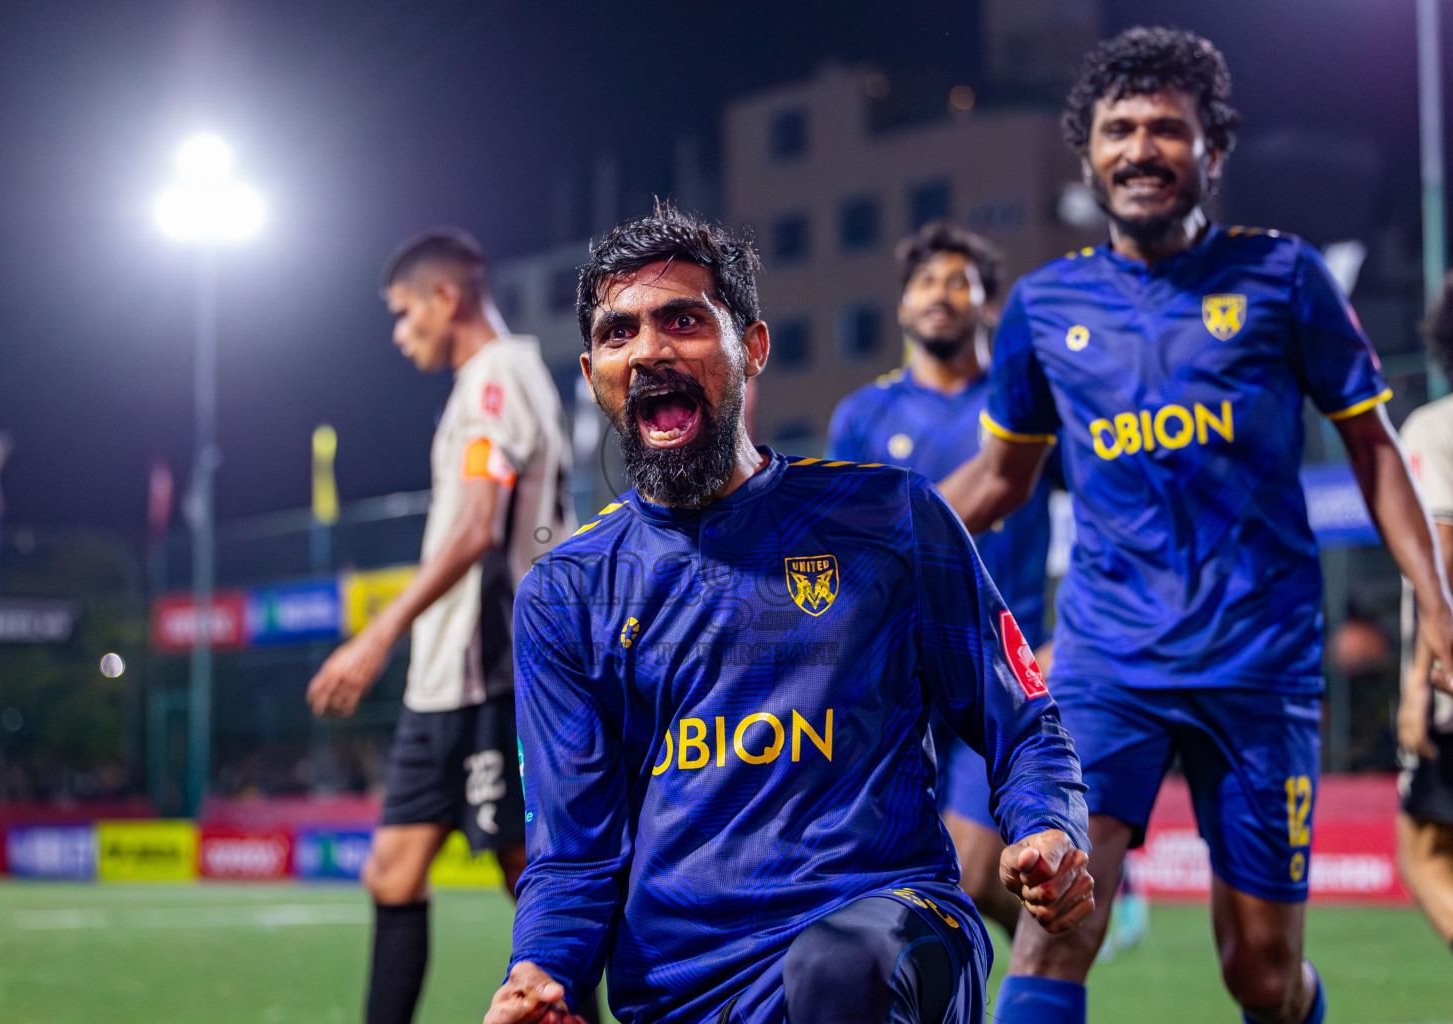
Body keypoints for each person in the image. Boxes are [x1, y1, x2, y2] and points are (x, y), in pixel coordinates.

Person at [939, 26, 1453, 1024]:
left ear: (1214, 147)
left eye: (1168, 128)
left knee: (1258, 973)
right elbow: (1002, 476)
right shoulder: (1047, 307)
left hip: (1259, 668)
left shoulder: (1287, 279)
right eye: (1119, 128)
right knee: (1055, 927)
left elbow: (1377, 451)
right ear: (1086, 151)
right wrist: (867, 534)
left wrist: (1438, 604)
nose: (1142, 148)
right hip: (1106, 664)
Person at [484, 204, 1093, 1024]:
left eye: (685, 320)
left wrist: (1048, 827)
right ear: (594, 373)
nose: (653, 349)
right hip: (681, 988)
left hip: (894, 932)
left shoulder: (891, 516)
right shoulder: (567, 591)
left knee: (840, 971)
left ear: (752, 349)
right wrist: (539, 972)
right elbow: (573, 854)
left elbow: (1022, 722)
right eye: (621, 332)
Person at [305, 228, 574, 1024]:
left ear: (444, 298)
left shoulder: (497, 380)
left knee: (535, 884)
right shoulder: (477, 386)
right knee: (393, 870)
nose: (399, 333)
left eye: (402, 313)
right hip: (443, 678)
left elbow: (478, 529)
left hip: (487, 674)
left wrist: (374, 634)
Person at [825, 222, 1056, 937]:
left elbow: (1109, 513)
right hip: (897, 672)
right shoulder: (864, 416)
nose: (941, 295)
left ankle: (1068, 925)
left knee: (967, 871)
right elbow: (839, 554)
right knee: (922, 875)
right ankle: (1065, 934)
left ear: (989, 304)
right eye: (926, 282)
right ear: (901, 307)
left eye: (961, 281)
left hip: (999, 665)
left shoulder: (1026, 407)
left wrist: (1064, 638)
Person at [1397, 272, 1453, 950]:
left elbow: (1438, 560)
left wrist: (1415, 688)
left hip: (1448, 685)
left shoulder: (1435, 428)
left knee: (1423, 852)